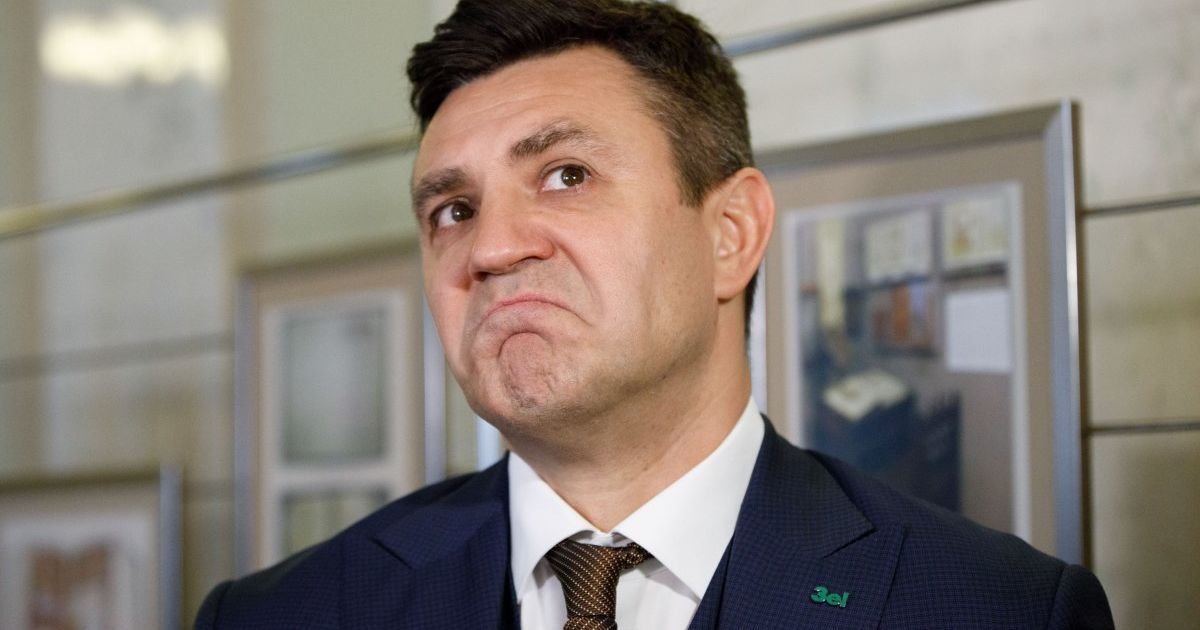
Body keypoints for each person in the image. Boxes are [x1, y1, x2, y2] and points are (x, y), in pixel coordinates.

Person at [195, 1, 1114, 628]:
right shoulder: (285, 614)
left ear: (730, 233)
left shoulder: (996, 609)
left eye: (566, 175)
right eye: (453, 210)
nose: (490, 248)